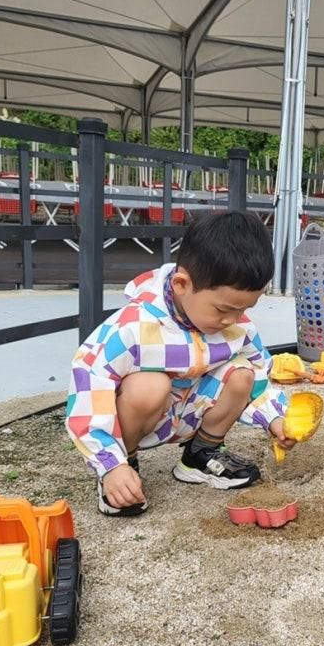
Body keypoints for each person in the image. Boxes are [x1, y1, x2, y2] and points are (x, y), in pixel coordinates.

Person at [66, 211, 295, 516]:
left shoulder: (237, 326)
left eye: (244, 309)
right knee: (149, 385)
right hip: (141, 415)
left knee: (243, 375)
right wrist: (110, 464)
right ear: (181, 283)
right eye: (223, 309)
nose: (233, 320)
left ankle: (200, 455)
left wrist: (275, 419)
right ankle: (124, 470)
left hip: (191, 410)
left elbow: (259, 375)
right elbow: (89, 384)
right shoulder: (134, 328)